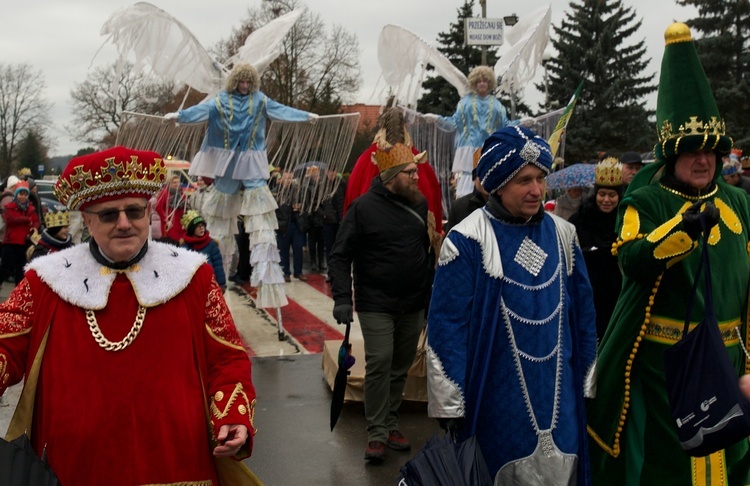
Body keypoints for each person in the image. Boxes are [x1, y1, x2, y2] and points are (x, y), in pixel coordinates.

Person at [0, 146, 260, 485]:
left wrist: (234, 417)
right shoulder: (44, 281)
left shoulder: (194, 276)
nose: (125, 224)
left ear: (148, 212)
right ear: (88, 219)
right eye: (109, 215)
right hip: (74, 468)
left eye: (134, 212)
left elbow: (227, 359)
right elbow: (6, 347)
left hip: (176, 464)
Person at [586, 23, 750, 485]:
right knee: (671, 467)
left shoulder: (740, 203)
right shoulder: (646, 199)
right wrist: (682, 229)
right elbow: (632, 262)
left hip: (731, 359)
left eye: (712, 151)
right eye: (692, 151)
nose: (703, 160)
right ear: (670, 155)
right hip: (667, 367)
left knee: (732, 461)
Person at [426, 125, 597, 484]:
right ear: (499, 183)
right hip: (495, 400)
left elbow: (583, 315)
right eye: (524, 180)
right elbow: (447, 327)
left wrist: (587, 382)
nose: (536, 190)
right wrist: (450, 404)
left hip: (560, 397)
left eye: (540, 178)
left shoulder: (564, 235)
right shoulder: (467, 239)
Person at [166, 62, 317, 309]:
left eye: (249, 82)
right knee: (218, 221)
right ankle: (212, 283)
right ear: (235, 82)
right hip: (227, 162)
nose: (245, 86)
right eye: (241, 82)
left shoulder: (259, 100)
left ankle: (267, 284)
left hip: (252, 161)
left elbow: (281, 110)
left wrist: (304, 116)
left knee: (261, 219)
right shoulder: (220, 101)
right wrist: (180, 116)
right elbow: (200, 111)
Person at [328, 131, 432, 465]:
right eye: (410, 172)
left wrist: (431, 295)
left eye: (415, 172)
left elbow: (425, 252)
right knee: (381, 362)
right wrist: (342, 297)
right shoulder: (362, 208)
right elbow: (340, 256)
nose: (416, 177)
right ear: (390, 177)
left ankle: (389, 423)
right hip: (376, 303)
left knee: (401, 365)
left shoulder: (420, 204)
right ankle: (375, 433)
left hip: (413, 302)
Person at [426, 65, 518, 198]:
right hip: (467, 151)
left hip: (488, 150)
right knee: (466, 187)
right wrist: (436, 119)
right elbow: (453, 123)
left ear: (489, 83)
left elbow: (506, 126)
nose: (482, 83)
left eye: (485, 80)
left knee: (488, 182)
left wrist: (523, 123)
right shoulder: (465, 103)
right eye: (479, 81)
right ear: (474, 83)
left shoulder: (497, 105)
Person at [568, 157, 624, 340]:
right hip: (586, 293)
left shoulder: (626, 221)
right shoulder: (579, 220)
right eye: (602, 194)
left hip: (616, 297)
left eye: (612, 195)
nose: (606, 200)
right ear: (595, 194)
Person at [0, 181, 39, 285]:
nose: (23, 197)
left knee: (20, 271)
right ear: (16, 195)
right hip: (10, 242)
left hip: (23, 243)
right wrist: (26, 220)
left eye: (25, 194)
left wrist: (34, 227)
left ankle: (18, 294)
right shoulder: (9, 206)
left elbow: (36, 221)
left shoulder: (30, 208)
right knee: (4, 268)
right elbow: (10, 220)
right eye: (21, 194)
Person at [181, 209, 226, 291]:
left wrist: (221, 284)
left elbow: (218, 266)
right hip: (192, 288)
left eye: (203, 225)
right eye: (198, 226)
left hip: (210, 285)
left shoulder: (211, 244)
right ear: (192, 229)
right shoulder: (184, 247)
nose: (201, 228)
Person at [444, 168, 488, 233]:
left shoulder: (505, 206)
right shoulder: (459, 206)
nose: (486, 180)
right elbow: (449, 239)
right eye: (482, 175)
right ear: (474, 179)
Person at [154, 174, 188, 243]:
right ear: (169, 183)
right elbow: (158, 207)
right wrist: (166, 220)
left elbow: (185, 209)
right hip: (170, 224)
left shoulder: (181, 194)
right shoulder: (165, 193)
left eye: (178, 182)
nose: (176, 184)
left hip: (180, 224)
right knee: (171, 242)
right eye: (174, 182)